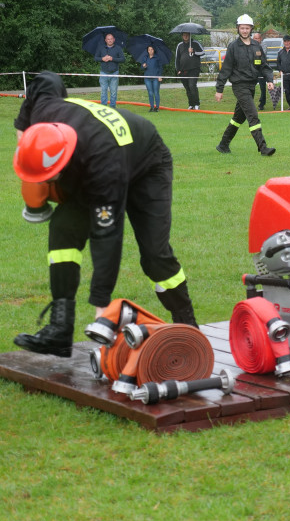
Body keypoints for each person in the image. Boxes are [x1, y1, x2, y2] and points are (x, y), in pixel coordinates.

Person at [11, 71, 198, 357]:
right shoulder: (44, 112)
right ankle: (59, 331)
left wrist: (102, 311)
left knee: (155, 256)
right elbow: (45, 81)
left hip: (146, 165)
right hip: (87, 156)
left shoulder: (102, 168)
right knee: (62, 227)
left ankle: (189, 330)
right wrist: (23, 134)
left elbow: (107, 235)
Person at [213, 14, 276, 156]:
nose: (245, 31)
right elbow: (226, 69)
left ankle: (223, 144)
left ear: (251, 29)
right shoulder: (233, 47)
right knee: (253, 115)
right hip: (239, 86)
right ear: (238, 29)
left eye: (247, 28)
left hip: (251, 86)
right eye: (242, 28)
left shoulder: (256, 46)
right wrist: (219, 89)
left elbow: (264, 66)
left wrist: (269, 80)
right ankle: (263, 148)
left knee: (238, 118)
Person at [174, 32, 204, 110]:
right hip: (183, 70)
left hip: (194, 69)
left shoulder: (195, 43)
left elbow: (202, 52)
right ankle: (191, 104)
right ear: (182, 36)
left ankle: (197, 104)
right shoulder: (179, 45)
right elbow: (177, 58)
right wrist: (178, 69)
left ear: (190, 35)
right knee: (187, 88)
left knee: (192, 86)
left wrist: (193, 51)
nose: (186, 36)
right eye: (184, 35)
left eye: (187, 35)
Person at [95, 32, 125, 108]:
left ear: (114, 40)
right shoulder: (101, 48)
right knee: (103, 91)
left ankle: (112, 107)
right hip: (103, 73)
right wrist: (102, 58)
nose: (110, 40)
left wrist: (112, 59)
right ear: (105, 40)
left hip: (114, 73)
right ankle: (103, 107)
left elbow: (123, 59)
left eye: (111, 39)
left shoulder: (118, 48)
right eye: (108, 39)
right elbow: (96, 58)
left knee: (113, 92)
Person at [140, 44, 165, 112]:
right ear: (147, 51)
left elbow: (160, 68)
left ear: (154, 50)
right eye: (149, 50)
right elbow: (141, 68)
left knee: (156, 92)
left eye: (152, 49)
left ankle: (157, 107)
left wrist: (160, 76)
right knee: (150, 93)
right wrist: (144, 66)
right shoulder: (145, 58)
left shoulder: (157, 58)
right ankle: (151, 107)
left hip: (156, 78)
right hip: (147, 78)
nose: (150, 51)